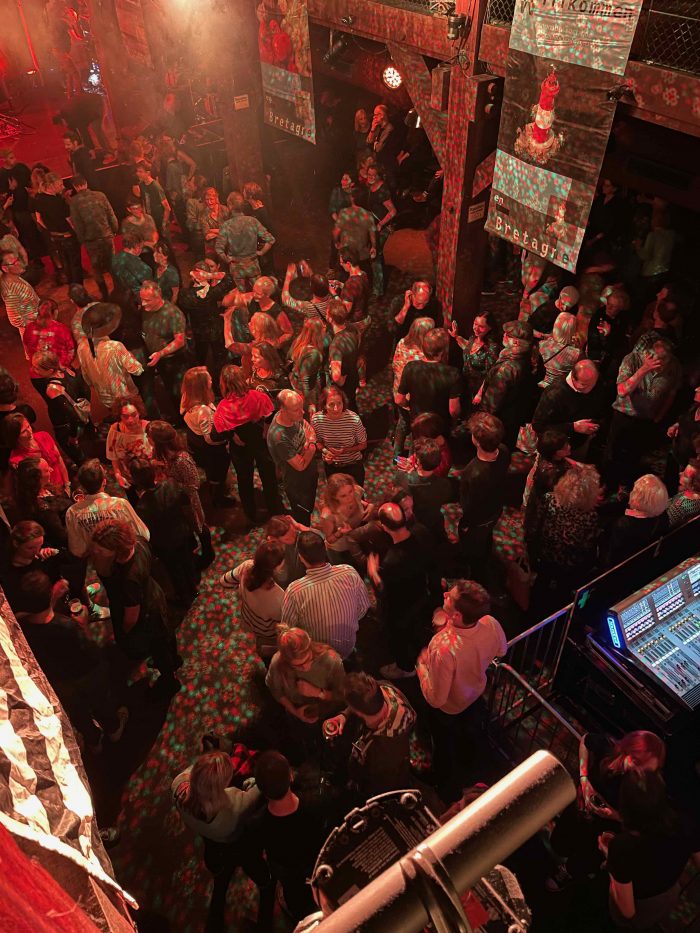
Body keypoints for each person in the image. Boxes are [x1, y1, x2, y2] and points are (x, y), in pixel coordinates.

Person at [18, 570, 128, 752]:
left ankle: (93, 741)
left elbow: (38, 614)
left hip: (59, 682)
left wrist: (50, 599)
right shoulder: (67, 626)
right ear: (48, 595)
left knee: (78, 714)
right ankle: (114, 729)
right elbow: (90, 651)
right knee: (101, 702)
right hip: (86, 676)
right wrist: (83, 625)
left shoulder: (21, 625)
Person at [416, 580, 507, 803]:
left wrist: (422, 668)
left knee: (444, 746)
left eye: (449, 597)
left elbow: (437, 698)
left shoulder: (442, 646)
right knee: (469, 736)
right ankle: (468, 768)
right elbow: (502, 649)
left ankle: (442, 783)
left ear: (456, 616)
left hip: (449, 708)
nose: (445, 593)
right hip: (475, 694)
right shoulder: (491, 623)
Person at [171, 750, 272, 932]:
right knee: (251, 861)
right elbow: (260, 788)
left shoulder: (178, 785)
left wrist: (209, 765)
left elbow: (195, 771)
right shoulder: (234, 804)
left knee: (214, 857)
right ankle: (264, 882)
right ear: (220, 787)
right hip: (235, 841)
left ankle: (218, 871)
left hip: (209, 837)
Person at [601, 769, 700, 930]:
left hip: (641, 902)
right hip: (670, 891)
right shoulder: (685, 823)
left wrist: (610, 859)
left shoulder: (623, 846)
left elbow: (628, 911)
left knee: (624, 925)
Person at [368, 502, 441, 679]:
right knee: (416, 631)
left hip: (400, 608)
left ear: (384, 527)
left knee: (400, 638)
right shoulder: (420, 533)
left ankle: (405, 668)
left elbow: (385, 593)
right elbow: (433, 566)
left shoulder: (391, 562)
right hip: (422, 594)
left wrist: (374, 574)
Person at [252, 750, 325, 921]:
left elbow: (256, 856)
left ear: (261, 789)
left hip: (285, 868)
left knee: (292, 892)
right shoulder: (315, 804)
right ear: (291, 777)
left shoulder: (256, 823)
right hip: (314, 861)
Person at [322, 672, 417, 798]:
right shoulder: (385, 688)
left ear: (358, 712)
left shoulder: (385, 752)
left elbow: (379, 787)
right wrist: (344, 715)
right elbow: (365, 701)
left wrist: (356, 785)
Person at [280, 530, 370, 660]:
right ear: (325, 550)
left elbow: (288, 629)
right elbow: (363, 607)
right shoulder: (350, 572)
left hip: (316, 655)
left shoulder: (295, 590)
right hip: (348, 646)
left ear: (301, 557)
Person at [607, 339, 682, 490]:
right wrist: (644, 370)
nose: (661, 366)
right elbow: (622, 391)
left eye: (665, 362)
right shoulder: (632, 360)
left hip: (646, 419)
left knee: (634, 458)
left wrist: (659, 416)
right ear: (648, 355)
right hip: (624, 415)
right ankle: (608, 486)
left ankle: (625, 490)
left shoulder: (674, 365)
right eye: (658, 362)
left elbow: (671, 393)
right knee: (612, 455)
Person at [212, 364, 283, 523]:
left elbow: (218, 430)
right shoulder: (257, 396)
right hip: (259, 438)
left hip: (240, 444)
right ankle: (275, 510)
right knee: (268, 475)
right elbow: (271, 413)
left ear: (223, 383)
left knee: (244, 479)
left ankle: (250, 514)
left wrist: (233, 435)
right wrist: (265, 430)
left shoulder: (223, 406)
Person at [529, 465, 602, 616]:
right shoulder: (590, 515)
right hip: (569, 562)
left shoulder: (549, 499)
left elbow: (535, 526)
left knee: (541, 584)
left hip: (545, 553)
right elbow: (587, 545)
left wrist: (532, 548)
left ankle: (532, 615)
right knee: (560, 595)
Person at [131, 459, 201, 607]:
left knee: (174, 570)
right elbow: (187, 509)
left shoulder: (141, 506)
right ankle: (194, 587)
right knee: (187, 561)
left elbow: (146, 534)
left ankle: (184, 598)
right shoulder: (172, 485)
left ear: (136, 481)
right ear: (154, 473)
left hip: (164, 545)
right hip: (182, 533)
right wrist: (194, 529)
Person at [149, 420, 213, 567]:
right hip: (173, 501)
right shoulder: (158, 454)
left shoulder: (181, 459)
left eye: (149, 437)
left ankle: (208, 554)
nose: (147, 440)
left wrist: (169, 482)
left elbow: (193, 485)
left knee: (199, 526)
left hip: (187, 501)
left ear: (159, 441)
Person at [458, 413, 511, 586]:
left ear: (477, 441)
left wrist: (465, 526)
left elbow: (467, 505)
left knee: (474, 553)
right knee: (486, 540)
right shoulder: (503, 451)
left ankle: (476, 577)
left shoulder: (472, 473)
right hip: (495, 511)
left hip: (477, 522)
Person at [266, 624, 345, 733]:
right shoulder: (277, 664)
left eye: (309, 659)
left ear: (310, 646)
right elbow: (277, 691)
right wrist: (296, 712)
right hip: (296, 715)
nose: (306, 667)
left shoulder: (331, 660)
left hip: (327, 717)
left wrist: (318, 693)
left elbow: (341, 695)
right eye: (298, 666)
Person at [65, 458, 149, 558]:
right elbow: (144, 535)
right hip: (125, 563)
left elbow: (77, 550)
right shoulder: (120, 505)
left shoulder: (72, 512)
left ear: (82, 486)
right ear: (104, 482)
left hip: (97, 567)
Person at [77, 302, 143, 422]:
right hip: (126, 399)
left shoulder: (81, 347)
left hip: (105, 399)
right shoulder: (115, 347)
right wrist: (132, 356)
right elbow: (137, 370)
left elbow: (87, 378)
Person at [220, 539, 285, 661]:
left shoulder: (246, 566)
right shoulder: (278, 597)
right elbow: (285, 623)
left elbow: (224, 581)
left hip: (248, 618)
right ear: (276, 567)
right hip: (267, 632)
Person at [477, 320, 535, 448]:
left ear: (515, 342)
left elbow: (491, 402)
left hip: (501, 420)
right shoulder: (532, 357)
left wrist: (481, 422)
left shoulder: (507, 368)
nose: (503, 336)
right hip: (515, 417)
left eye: (507, 335)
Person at [532, 359, 605, 461]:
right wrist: (573, 427)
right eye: (585, 385)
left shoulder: (594, 380)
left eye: (594, 383)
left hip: (582, 442)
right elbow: (538, 425)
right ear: (574, 379)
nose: (591, 388)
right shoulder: (554, 394)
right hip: (560, 449)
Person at [180, 367, 231, 506]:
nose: (211, 379)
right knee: (216, 473)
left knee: (211, 472)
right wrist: (227, 440)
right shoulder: (202, 410)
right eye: (208, 378)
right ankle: (218, 499)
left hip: (194, 441)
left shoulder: (186, 395)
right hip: (210, 450)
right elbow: (210, 439)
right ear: (201, 385)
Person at [267, 389, 318, 523]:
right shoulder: (279, 437)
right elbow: (300, 466)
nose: (302, 412)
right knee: (303, 515)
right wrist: (312, 445)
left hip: (310, 473)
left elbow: (308, 427)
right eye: (297, 409)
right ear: (283, 409)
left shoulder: (293, 416)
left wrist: (310, 441)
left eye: (301, 407)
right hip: (297, 484)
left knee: (310, 507)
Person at [397, 327, 462, 428]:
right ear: (441, 352)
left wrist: (411, 407)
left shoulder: (410, 367)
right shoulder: (452, 373)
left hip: (418, 423)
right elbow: (453, 410)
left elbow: (399, 400)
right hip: (440, 425)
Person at [178, 260, 232, 382]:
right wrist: (211, 275)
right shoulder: (212, 293)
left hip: (199, 332)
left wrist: (186, 329)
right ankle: (220, 387)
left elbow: (183, 313)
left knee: (200, 361)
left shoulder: (185, 294)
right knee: (219, 362)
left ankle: (202, 386)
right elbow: (229, 279)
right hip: (214, 331)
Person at [67, 174, 117, 299]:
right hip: (106, 235)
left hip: (91, 240)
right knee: (113, 265)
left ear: (75, 187)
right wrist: (114, 230)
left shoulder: (74, 202)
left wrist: (82, 239)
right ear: (86, 183)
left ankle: (105, 294)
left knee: (96, 269)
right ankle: (119, 289)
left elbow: (77, 223)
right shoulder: (100, 195)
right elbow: (111, 214)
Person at [139, 279, 188, 408]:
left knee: (179, 391)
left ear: (158, 297)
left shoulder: (173, 313)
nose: (143, 304)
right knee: (168, 388)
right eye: (142, 299)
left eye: (147, 300)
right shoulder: (146, 310)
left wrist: (161, 353)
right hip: (159, 359)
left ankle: (186, 420)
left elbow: (180, 340)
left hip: (174, 360)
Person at [402, 439, 459, 545]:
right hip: (434, 518)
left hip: (415, 519)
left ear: (418, 461)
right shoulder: (445, 484)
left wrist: (410, 473)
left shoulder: (406, 480)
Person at [215, 190, 275, 289]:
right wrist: (261, 252)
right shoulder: (253, 221)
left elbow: (219, 249)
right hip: (253, 265)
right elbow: (271, 239)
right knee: (257, 293)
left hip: (236, 267)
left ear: (230, 205)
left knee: (240, 297)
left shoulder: (226, 225)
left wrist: (227, 259)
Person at [606, 474, 669, 567]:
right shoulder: (663, 516)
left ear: (637, 496)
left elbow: (614, 558)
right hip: (648, 564)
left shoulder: (624, 525)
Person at [392, 316, 433, 456]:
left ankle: (396, 455)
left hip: (399, 393)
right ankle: (412, 460)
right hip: (415, 399)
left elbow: (394, 366)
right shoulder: (425, 354)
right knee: (417, 430)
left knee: (402, 424)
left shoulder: (402, 342)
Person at [311, 387, 367, 485]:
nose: (336, 408)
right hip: (332, 467)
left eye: (339, 403)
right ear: (324, 405)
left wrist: (344, 450)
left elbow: (363, 445)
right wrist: (326, 451)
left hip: (353, 465)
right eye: (331, 404)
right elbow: (318, 442)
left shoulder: (353, 419)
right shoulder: (317, 420)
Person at [318, 473, 375, 568]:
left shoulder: (357, 492)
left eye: (350, 491)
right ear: (335, 497)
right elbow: (330, 539)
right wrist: (340, 532)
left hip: (357, 540)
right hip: (341, 549)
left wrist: (370, 506)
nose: (350, 497)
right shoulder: (328, 515)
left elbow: (360, 502)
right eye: (343, 496)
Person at [4, 412, 69, 492]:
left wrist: (67, 484)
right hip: (48, 495)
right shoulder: (17, 460)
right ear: (15, 436)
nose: (30, 431)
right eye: (24, 431)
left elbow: (59, 459)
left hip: (61, 484)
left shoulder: (44, 436)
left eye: (29, 426)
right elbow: (30, 487)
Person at [14, 457, 71, 547]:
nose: (51, 470)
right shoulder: (43, 508)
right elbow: (61, 537)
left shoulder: (49, 488)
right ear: (36, 479)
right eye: (46, 470)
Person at [105, 399, 152, 499]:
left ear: (139, 412)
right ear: (120, 416)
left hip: (150, 478)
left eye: (134, 415)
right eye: (125, 416)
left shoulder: (148, 428)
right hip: (128, 479)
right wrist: (118, 475)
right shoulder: (115, 430)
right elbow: (113, 456)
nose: (130, 420)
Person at [449, 311, 499, 404]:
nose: (476, 328)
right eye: (475, 324)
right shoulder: (473, 338)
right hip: (464, 386)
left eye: (481, 326)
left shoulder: (492, 347)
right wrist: (456, 336)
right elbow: (467, 347)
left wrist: (479, 394)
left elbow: (490, 374)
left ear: (490, 328)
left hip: (477, 390)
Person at [365, 162, 396, 296]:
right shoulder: (371, 187)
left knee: (375, 256)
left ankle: (378, 291)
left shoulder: (383, 190)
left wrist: (381, 224)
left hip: (383, 229)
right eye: (369, 174)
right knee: (373, 256)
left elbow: (393, 211)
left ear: (378, 176)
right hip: (373, 227)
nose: (370, 177)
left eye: (373, 175)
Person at [327, 299, 363, 411]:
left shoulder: (336, 344)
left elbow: (336, 376)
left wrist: (340, 380)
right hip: (353, 374)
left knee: (343, 406)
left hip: (344, 383)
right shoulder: (352, 328)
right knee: (352, 402)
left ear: (330, 318)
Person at [0, 250, 39, 348]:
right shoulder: (11, 292)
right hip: (35, 334)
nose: (20, 263)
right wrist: (36, 322)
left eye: (18, 259)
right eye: (15, 262)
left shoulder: (13, 277)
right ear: (5, 268)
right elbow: (15, 320)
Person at [333, 187, 376, 275]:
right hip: (362, 255)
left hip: (346, 255)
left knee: (344, 280)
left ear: (352, 198)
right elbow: (372, 234)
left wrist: (336, 242)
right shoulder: (368, 215)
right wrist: (373, 247)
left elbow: (336, 232)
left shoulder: (344, 213)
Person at [23, 298, 75, 371]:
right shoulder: (61, 328)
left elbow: (27, 348)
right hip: (60, 371)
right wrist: (63, 366)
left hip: (38, 371)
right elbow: (71, 350)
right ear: (55, 312)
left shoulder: (29, 327)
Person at [289, 318, 326, 415]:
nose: (325, 328)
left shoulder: (298, 342)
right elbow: (305, 379)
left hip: (295, 385)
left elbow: (289, 358)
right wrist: (310, 403)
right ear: (317, 332)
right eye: (323, 327)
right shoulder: (313, 353)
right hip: (306, 391)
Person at [537, 311, 582, 388]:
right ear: (573, 330)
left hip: (539, 385)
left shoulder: (541, 344)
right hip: (556, 389)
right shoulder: (576, 354)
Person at [188, 186, 229, 260]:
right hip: (212, 247)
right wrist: (223, 231)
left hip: (226, 246)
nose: (209, 202)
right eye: (207, 199)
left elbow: (230, 229)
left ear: (216, 198)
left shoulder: (225, 210)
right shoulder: (203, 214)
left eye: (211, 199)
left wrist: (212, 230)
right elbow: (207, 236)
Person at [111, 231, 152, 301]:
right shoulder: (139, 265)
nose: (141, 250)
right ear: (136, 247)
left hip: (120, 295)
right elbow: (149, 285)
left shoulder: (115, 258)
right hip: (138, 298)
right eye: (141, 247)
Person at [135, 160, 170, 238]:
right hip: (151, 220)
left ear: (148, 173)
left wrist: (164, 224)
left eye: (140, 172)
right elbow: (144, 201)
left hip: (159, 220)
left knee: (165, 242)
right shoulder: (141, 184)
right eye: (137, 171)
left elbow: (167, 208)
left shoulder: (155, 187)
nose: (138, 174)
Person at [666, 459, 700, 528]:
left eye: (685, 475)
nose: (680, 473)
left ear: (693, 485)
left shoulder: (680, 506)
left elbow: (666, 524)